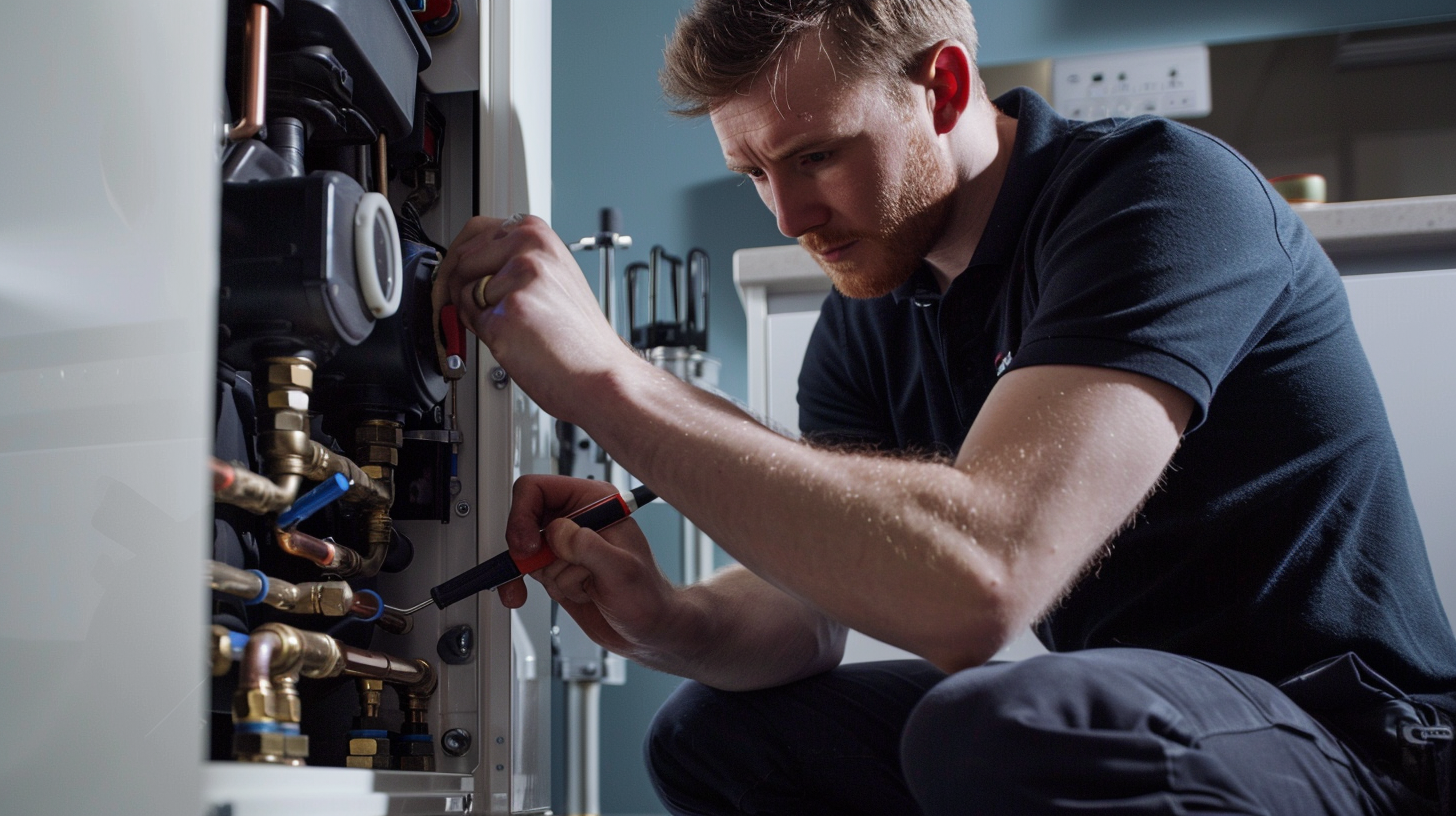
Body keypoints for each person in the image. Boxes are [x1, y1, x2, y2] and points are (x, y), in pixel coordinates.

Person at [437, 1, 1456, 812]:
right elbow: (814, 609)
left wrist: (608, 377)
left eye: (815, 155)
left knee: (997, 724)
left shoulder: (1157, 195)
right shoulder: (876, 304)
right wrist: (670, 619)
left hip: (1355, 744)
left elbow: (979, 585)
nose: (790, 216)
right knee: (714, 739)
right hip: (1148, 720)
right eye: (752, 172)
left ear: (944, 85)